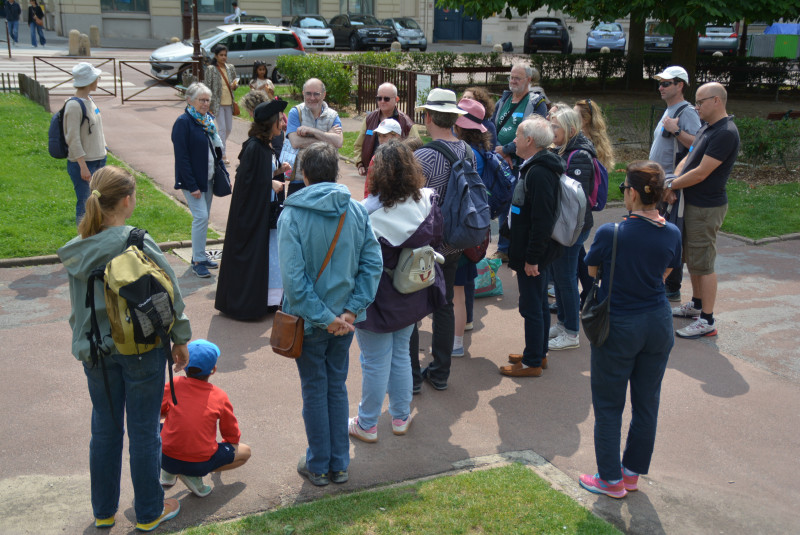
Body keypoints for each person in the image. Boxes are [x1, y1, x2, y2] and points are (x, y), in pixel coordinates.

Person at [57, 165, 191, 532]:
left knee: (105, 428)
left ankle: (103, 512)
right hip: (141, 349)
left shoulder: (78, 249)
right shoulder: (133, 240)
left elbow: (77, 308)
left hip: (95, 351)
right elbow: (170, 293)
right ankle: (148, 512)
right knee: (144, 431)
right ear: (128, 200)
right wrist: (180, 338)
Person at [277, 142, 382, 487]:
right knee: (335, 386)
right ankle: (338, 463)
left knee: (316, 388)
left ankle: (320, 463)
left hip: (310, 322)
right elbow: (372, 264)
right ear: (335, 172)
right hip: (345, 320)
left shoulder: (291, 214)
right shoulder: (355, 209)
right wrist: (351, 311)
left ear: (304, 175)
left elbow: (294, 283)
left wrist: (327, 316)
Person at [579, 161, 681, 499]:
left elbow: (592, 268)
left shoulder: (612, 232)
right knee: (647, 403)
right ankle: (631, 473)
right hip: (658, 322)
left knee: (609, 406)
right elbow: (667, 272)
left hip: (619, 324)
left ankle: (609, 479)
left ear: (634, 193)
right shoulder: (672, 232)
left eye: (624, 189)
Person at [349, 140, 445, 443]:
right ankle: (401, 416)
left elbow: (355, 260)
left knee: (375, 361)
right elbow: (437, 241)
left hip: (377, 297)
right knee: (402, 354)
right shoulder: (428, 201)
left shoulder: (365, 213)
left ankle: (367, 423)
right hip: (413, 290)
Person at [667, 82, 740, 340]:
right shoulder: (707, 127)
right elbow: (688, 158)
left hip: (707, 207)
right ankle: (696, 305)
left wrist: (671, 184)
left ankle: (707, 319)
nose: (696, 107)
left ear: (717, 101)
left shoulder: (726, 133)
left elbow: (701, 173)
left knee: (704, 263)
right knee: (693, 259)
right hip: (692, 203)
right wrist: (671, 181)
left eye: (701, 102)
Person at [410, 88, 469, 392]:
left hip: (423, 243)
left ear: (428, 116)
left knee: (411, 307)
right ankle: (441, 372)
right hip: (453, 241)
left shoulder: (424, 155)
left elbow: (411, 201)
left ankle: (412, 377)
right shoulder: (466, 150)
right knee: (444, 305)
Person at [499, 116, 563, 378]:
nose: (513, 140)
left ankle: (532, 361)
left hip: (532, 253)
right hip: (531, 251)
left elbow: (542, 220)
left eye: (518, 135)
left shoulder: (539, 172)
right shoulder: (535, 166)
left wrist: (532, 258)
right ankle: (539, 352)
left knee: (532, 306)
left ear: (529, 140)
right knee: (537, 304)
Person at [215, 99, 290, 319]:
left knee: (269, 256)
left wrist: (275, 174)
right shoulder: (255, 147)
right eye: (280, 120)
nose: (283, 123)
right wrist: (270, 183)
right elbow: (246, 184)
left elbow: (256, 176)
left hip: (264, 213)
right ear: (270, 123)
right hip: (252, 217)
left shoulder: (262, 146)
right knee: (255, 257)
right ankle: (247, 304)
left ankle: (269, 300)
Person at [160, 339, 251, 498]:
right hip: (199, 463)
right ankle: (192, 475)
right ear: (213, 370)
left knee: (163, 420)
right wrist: (220, 447)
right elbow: (231, 434)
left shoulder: (174, 383)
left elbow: (159, 410)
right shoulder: (220, 396)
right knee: (245, 452)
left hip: (165, 457)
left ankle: (168, 473)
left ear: (184, 364)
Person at [649, 66, 702, 302]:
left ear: (680, 85)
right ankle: (663, 280)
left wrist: (677, 130)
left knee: (670, 234)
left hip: (672, 183)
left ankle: (672, 286)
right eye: (659, 83)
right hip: (660, 181)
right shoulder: (670, 109)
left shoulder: (686, 112)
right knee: (659, 232)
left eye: (666, 83)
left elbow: (699, 145)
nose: (660, 87)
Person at [547, 105, 596, 351]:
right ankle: (564, 323)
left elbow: (576, 198)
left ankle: (572, 333)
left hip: (572, 227)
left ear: (571, 129)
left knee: (566, 279)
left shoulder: (580, 156)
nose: (551, 129)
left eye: (556, 126)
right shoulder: (563, 149)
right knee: (560, 276)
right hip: (564, 225)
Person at [490, 64, 548, 263]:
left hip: (522, 164)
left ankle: (514, 247)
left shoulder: (536, 102)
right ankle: (504, 248)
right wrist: (498, 150)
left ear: (529, 80)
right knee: (502, 201)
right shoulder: (503, 100)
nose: (513, 81)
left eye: (518, 78)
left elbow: (534, 132)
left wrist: (506, 150)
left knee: (518, 205)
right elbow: (491, 126)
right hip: (501, 162)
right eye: (511, 77)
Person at [451, 97, 492, 356]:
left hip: (462, 223)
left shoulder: (466, 151)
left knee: (456, 289)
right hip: (477, 222)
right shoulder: (480, 149)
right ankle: (465, 322)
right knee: (465, 283)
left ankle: (455, 339)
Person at [172, 82, 222, 278]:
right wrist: (192, 185)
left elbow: (214, 148)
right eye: (201, 100)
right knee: (200, 217)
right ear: (189, 100)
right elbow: (182, 157)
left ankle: (199, 256)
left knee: (204, 218)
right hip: (192, 181)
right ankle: (198, 261)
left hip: (207, 177)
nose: (205, 103)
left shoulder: (207, 120)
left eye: (207, 100)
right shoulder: (183, 122)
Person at [574, 98, 615, 306]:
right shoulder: (589, 139)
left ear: (586, 119)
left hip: (584, 200)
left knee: (575, 248)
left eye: (575, 116)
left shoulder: (586, 142)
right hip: (585, 200)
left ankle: (586, 293)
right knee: (578, 248)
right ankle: (589, 291)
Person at [65, 62, 107, 225]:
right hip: (84, 163)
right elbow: (72, 138)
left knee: (98, 204)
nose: (98, 80)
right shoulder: (74, 105)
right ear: (89, 81)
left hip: (98, 159)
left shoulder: (90, 100)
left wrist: (104, 148)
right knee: (85, 204)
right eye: (97, 78)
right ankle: (83, 242)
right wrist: (82, 165)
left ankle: (95, 238)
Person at [353, 82, 420, 178]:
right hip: (373, 174)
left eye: (386, 99)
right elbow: (358, 145)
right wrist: (359, 163)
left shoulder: (407, 123)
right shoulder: (369, 119)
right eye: (379, 98)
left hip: (397, 177)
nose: (382, 101)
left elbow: (417, 149)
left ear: (396, 99)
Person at [284, 78, 343, 181]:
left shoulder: (333, 116)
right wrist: (328, 136)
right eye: (308, 94)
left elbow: (338, 142)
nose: (312, 98)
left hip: (326, 179)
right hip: (300, 178)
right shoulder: (295, 112)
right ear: (303, 94)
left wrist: (312, 131)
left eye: (316, 94)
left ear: (324, 95)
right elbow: (295, 142)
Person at [205, 44, 238, 163]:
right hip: (217, 103)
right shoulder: (211, 69)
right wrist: (208, 103)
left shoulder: (230, 68)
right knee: (222, 128)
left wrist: (235, 85)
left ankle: (217, 145)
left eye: (225, 55)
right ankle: (222, 154)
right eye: (221, 55)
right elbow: (207, 86)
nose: (224, 57)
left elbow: (234, 83)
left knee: (228, 128)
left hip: (229, 102)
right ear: (216, 55)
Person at [361, 118, 402, 198]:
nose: (381, 139)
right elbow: (369, 184)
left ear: (396, 136)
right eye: (379, 136)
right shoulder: (376, 158)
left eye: (384, 136)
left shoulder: (405, 157)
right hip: (378, 201)